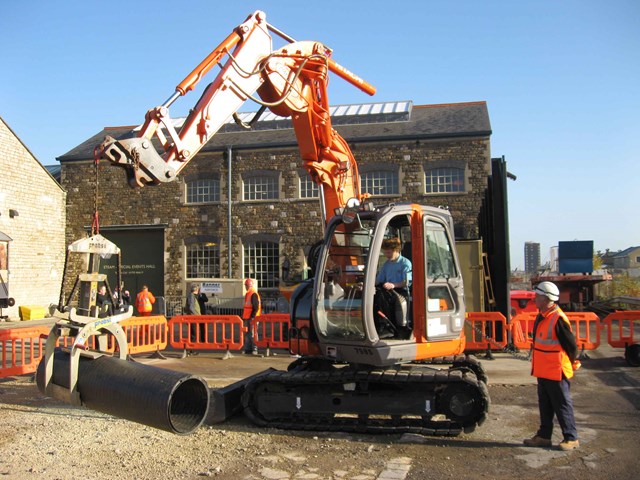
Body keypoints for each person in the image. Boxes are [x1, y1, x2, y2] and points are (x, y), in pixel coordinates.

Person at [523, 281, 580, 451]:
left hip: (556, 371)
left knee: (562, 405)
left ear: (545, 298)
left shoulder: (557, 319)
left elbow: (571, 346)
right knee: (545, 406)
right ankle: (544, 436)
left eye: (537, 295)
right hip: (544, 370)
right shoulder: (542, 315)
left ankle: (571, 438)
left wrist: (572, 362)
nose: (535, 298)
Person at [242, 278, 261, 355]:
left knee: (253, 334)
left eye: (246, 286)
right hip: (248, 317)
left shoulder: (253, 294)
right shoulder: (248, 294)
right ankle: (248, 348)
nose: (245, 287)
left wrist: (252, 316)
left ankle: (254, 348)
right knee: (247, 333)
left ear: (248, 285)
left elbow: (256, 307)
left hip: (253, 317)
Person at [185, 284, 203, 355]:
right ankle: (189, 349)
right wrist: (195, 316)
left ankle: (190, 350)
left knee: (193, 334)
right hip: (193, 318)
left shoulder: (193, 296)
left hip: (193, 318)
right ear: (196, 290)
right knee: (194, 334)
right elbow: (191, 308)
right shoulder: (191, 296)